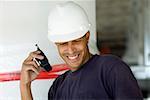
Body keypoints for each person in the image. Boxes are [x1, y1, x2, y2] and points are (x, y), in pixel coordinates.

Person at [20, 1, 143, 100]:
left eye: (76, 41)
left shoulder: (111, 69)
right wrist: (25, 86)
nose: (71, 49)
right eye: (63, 43)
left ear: (87, 37)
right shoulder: (58, 87)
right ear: (56, 44)